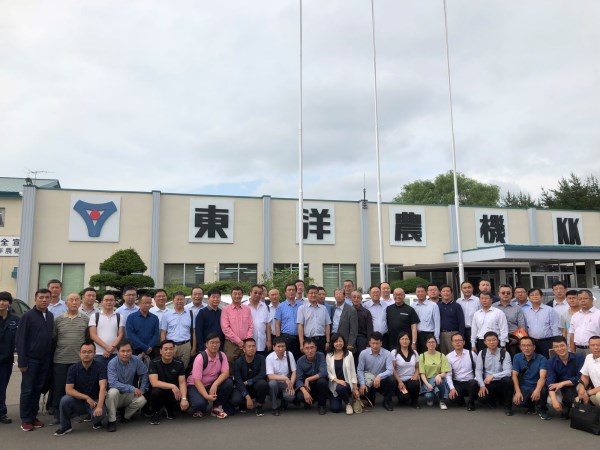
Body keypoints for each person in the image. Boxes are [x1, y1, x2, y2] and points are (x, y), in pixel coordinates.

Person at [16, 288, 54, 431]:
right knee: (27, 390)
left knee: (38, 388)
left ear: (50, 299)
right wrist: (22, 361)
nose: (44, 300)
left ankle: (33, 416)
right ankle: (25, 419)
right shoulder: (27, 316)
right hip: (30, 360)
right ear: (35, 299)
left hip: (44, 360)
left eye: (47, 297)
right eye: (41, 297)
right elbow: (20, 340)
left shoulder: (50, 316)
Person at [53, 341, 107, 436]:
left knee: (99, 415)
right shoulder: (73, 368)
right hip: (78, 402)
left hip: (94, 401)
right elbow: (68, 390)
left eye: (89, 352)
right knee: (65, 400)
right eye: (84, 352)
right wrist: (86, 397)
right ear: (80, 353)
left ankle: (96, 421)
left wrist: (99, 407)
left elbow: (103, 387)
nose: (86, 354)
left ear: (94, 353)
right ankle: (65, 427)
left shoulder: (100, 367)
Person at [51, 293, 89, 425]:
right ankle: (57, 414)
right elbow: (54, 338)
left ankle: (74, 413)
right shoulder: (58, 320)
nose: (74, 302)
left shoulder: (85, 319)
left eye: (76, 300)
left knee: (77, 388)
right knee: (59, 388)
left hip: (78, 360)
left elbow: (87, 339)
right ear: (66, 303)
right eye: (71, 300)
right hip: (60, 359)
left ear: (80, 303)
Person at [186, 332, 233, 419]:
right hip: (195, 385)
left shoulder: (222, 355)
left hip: (211, 384)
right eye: (212, 342)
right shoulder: (200, 358)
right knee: (199, 404)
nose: (215, 345)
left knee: (228, 383)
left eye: (217, 342)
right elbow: (197, 381)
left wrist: (215, 385)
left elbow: (226, 373)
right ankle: (198, 403)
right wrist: (206, 396)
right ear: (206, 344)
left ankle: (216, 407)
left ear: (220, 344)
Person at [106, 340, 149, 431]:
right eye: (123, 351)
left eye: (128, 351)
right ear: (118, 352)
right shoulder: (112, 363)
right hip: (116, 396)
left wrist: (142, 389)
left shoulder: (136, 360)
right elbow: (113, 383)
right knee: (112, 392)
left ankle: (125, 416)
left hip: (128, 394)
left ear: (132, 351)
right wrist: (132, 388)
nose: (125, 354)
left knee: (142, 400)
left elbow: (145, 373)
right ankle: (111, 421)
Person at [147, 339, 189, 425]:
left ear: (174, 350)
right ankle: (155, 413)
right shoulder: (154, 362)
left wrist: (184, 399)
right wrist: (172, 386)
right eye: (165, 349)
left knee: (184, 409)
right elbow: (154, 383)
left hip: (172, 392)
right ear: (161, 351)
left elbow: (182, 382)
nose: (168, 351)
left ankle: (168, 408)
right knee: (156, 391)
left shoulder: (179, 363)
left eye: (171, 349)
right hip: (159, 391)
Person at [475, 331, 514, 416]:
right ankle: (493, 400)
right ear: (485, 342)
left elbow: (508, 371)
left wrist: (493, 376)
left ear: (498, 341)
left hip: (501, 382)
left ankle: (508, 407)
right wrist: (482, 386)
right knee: (482, 398)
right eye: (489, 340)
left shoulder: (505, 353)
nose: (491, 342)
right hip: (488, 383)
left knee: (508, 380)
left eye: (494, 340)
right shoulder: (482, 353)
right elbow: (478, 371)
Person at [546, 336, 584, 419]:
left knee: (582, 388)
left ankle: (578, 409)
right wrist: (554, 401)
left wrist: (563, 383)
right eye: (556, 347)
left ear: (567, 346)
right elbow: (550, 382)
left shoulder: (579, 357)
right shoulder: (550, 362)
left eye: (562, 345)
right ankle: (564, 408)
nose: (560, 349)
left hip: (576, 385)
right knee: (550, 400)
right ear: (553, 348)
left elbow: (580, 376)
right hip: (562, 389)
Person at [512, 336, 550, 420]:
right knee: (519, 403)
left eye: (529, 345)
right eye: (523, 345)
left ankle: (542, 410)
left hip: (537, 384)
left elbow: (542, 377)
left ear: (534, 347)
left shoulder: (542, 358)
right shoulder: (517, 357)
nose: (526, 348)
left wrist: (537, 390)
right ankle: (531, 405)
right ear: (520, 347)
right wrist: (517, 392)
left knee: (543, 390)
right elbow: (514, 375)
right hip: (524, 386)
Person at [357, 332, 396, 411]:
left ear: (381, 343)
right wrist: (362, 384)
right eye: (373, 343)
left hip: (381, 381)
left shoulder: (387, 353)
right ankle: (371, 396)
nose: (375, 345)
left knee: (392, 380)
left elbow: (390, 370)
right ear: (369, 343)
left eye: (377, 343)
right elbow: (360, 370)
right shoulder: (363, 353)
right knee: (361, 390)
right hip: (368, 380)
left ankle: (387, 401)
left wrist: (379, 376)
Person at [231, 338, 268, 417]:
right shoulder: (238, 362)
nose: (251, 348)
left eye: (253, 346)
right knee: (235, 400)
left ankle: (259, 405)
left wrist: (249, 381)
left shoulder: (261, 358)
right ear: (244, 349)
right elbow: (238, 380)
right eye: (249, 346)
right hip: (242, 387)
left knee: (263, 384)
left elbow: (263, 374)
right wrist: (247, 397)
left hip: (255, 385)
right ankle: (243, 403)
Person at [160, 291, 196, 370]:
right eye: (177, 299)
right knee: (169, 368)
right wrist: (163, 347)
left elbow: (193, 332)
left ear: (184, 301)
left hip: (186, 345)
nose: (180, 301)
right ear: (173, 301)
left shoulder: (190, 313)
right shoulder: (166, 315)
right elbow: (163, 333)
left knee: (183, 368)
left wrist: (194, 347)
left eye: (181, 299)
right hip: (171, 346)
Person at [221, 286, 253, 367]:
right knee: (230, 363)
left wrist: (247, 341)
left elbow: (251, 326)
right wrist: (238, 341)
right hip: (231, 343)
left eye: (239, 294)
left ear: (242, 295)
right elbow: (225, 328)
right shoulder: (225, 309)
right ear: (231, 295)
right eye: (235, 294)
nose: (237, 296)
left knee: (245, 363)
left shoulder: (247, 309)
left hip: (245, 342)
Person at [88, 292, 124, 366]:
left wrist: (111, 349)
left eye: (111, 300)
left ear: (115, 302)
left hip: (114, 353)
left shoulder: (119, 317)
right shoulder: (95, 316)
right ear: (101, 302)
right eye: (106, 300)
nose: (109, 302)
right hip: (98, 353)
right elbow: (92, 335)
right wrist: (107, 347)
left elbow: (120, 335)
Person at [326, 333, 358, 414]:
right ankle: (341, 397)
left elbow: (353, 371)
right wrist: (337, 380)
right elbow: (328, 372)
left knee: (340, 388)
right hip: (334, 384)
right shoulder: (329, 355)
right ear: (333, 343)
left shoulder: (349, 354)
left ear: (344, 342)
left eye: (340, 341)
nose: (338, 343)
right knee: (335, 409)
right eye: (336, 341)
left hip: (347, 384)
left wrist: (355, 387)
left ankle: (348, 404)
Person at [295, 338, 329, 415]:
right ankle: (308, 401)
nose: (310, 351)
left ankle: (322, 405)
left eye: (312, 347)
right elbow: (299, 380)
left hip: (318, 383)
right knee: (300, 396)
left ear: (316, 348)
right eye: (307, 348)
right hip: (308, 387)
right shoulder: (300, 361)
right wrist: (304, 392)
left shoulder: (321, 355)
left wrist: (308, 379)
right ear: (303, 350)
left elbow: (323, 372)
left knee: (322, 381)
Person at [446, 332, 479, 411]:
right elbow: (448, 375)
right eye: (455, 341)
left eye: (460, 340)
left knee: (473, 383)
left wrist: (476, 380)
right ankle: (461, 400)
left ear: (464, 342)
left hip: (470, 382)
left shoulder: (471, 354)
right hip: (457, 382)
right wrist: (452, 388)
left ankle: (471, 403)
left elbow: (479, 369)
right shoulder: (448, 357)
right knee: (453, 398)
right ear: (452, 343)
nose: (457, 342)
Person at [523, 288, 560, 358]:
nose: (534, 296)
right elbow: (525, 327)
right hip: (532, 342)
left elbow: (555, 328)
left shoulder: (550, 310)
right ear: (528, 298)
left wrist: (556, 343)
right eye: (532, 295)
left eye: (537, 295)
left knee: (548, 361)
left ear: (541, 297)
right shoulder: (526, 312)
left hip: (547, 342)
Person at [0, 291, 19, 424]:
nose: (2, 303)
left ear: (9, 303)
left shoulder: (15, 320)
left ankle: (2, 413)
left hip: (6, 360)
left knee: (2, 387)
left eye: (5, 300)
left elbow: (20, 339)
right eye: (0, 300)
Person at [266, 337, 297, 416]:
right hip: (276, 383)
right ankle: (274, 407)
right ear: (274, 347)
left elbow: (294, 371)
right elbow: (270, 376)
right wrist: (285, 378)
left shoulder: (289, 354)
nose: (281, 349)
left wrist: (291, 384)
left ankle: (284, 402)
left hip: (287, 383)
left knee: (291, 397)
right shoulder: (269, 358)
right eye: (278, 346)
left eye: (283, 346)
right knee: (272, 384)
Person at [419, 334, 450, 410]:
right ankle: (433, 396)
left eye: (433, 342)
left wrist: (439, 375)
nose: (431, 344)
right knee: (428, 396)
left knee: (439, 381)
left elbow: (444, 372)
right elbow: (422, 374)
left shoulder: (442, 356)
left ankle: (442, 401)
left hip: (439, 380)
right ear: (426, 344)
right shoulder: (422, 356)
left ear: (436, 343)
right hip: (427, 381)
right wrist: (427, 384)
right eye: (429, 342)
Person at [297, 285, 331, 354]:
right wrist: (301, 343)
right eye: (311, 293)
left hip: (321, 340)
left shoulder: (323, 308)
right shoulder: (302, 308)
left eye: (315, 293)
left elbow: (327, 325)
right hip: (308, 340)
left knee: (321, 358)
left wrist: (328, 341)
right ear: (307, 295)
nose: (313, 295)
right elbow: (300, 326)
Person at [495, 285, 526, 357]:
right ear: (499, 294)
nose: (506, 294)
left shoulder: (517, 308)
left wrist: (517, 340)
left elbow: (522, 327)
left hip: (513, 340)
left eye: (508, 293)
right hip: (497, 339)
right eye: (503, 293)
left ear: (511, 294)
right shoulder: (493, 307)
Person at [391, 332, 420, 409]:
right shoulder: (394, 352)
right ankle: (405, 396)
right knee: (404, 398)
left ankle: (415, 401)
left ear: (410, 341)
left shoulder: (414, 352)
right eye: (402, 339)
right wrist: (399, 382)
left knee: (415, 384)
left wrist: (416, 374)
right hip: (400, 379)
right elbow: (393, 369)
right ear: (399, 340)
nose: (404, 341)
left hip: (411, 378)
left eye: (407, 339)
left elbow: (417, 367)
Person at [125, 294, 160, 360]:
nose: (147, 305)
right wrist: (145, 347)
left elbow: (156, 335)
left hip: (151, 350)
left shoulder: (155, 318)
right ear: (139, 303)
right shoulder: (131, 317)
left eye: (149, 303)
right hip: (136, 350)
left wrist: (149, 347)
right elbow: (130, 335)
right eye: (145, 303)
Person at [386, 287, 419, 355]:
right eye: (395, 294)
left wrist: (413, 343)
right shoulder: (389, 309)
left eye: (400, 294)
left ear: (404, 296)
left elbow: (414, 327)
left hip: (405, 343)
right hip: (392, 343)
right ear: (393, 296)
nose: (398, 296)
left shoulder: (410, 310)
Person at [274, 283, 302, 360]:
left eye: (293, 290)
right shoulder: (281, 306)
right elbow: (277, 324)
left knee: (297, 359)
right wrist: (278, 340)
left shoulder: (301, 306)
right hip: (285, 338)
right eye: (289, 290)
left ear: (296, 292)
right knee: (285, 360)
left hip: (298, 339)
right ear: (285, 292)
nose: (291, 292)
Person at [569, 289, 600, 356]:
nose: (582, 301)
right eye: (580, 299)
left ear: (592, 299)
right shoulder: (575, 316)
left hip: (595, 349)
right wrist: (573, 352)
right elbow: (572, 335)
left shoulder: (598, 314)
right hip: (578, 350)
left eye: (585, 298)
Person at [437, 285, 465, 354]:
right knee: (443, 355)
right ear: (440, 293)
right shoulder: (437, 305)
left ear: (451, 293)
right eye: (444, 291)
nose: (446, 293)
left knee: (454, 354)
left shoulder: (457, 306)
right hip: (441, 334)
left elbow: (461, 322)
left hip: (454, 334)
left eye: (448, 291)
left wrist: (461, 335)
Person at [413, 285, 440, 354]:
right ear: (416, 293)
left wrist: (436, 340)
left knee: (429, 356)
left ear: (426, 293)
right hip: (416, 335)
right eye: (418, 292)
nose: (420, 293)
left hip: (428, 335)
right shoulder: (413, 306)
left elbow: (437, 323)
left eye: (422, 291)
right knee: (417, 355)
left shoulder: (433, 305)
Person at [195, 287, 223, 352]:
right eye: (213, 297)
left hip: (219, 347)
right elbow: (198, 331)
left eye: (218, 297)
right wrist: (202, 347)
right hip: (206, 347)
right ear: (208, 298)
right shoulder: (202, 312)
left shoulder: (221, 312)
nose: (216, 299)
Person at [330, 289, 358, 353]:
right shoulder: (332, 308)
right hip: (333, 339)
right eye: (336, 294)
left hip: (345, 341)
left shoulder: (351, 310)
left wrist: (351, 343)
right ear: (334, 296)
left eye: (340, 294)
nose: (338, 296)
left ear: (344, 296)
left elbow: (354, 329)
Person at [247, 285, 271, 356]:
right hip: (248, 343)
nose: (257, 295)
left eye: (260, 293)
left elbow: (268, 324)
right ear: (250, 293)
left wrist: (269, 340)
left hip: (262, 342)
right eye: (255, 292)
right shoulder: (244, 306)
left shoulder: (264, 306)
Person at [351, 290, 373, 367]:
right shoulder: (348, 311)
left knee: (362, 360)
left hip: (362, 339)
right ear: (351, 298)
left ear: (361, 299)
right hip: (351, 340)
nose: (356, 299)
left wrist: (369, 343)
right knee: (351, 360)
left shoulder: (366, 312)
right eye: (354, 297)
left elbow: (369, 329)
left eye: (358, 297)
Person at [577, 335, 600, 406]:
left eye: (598, 345)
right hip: (595, 389)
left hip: (597, 392)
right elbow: (585, 375)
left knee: (599, 396)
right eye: (593, 345)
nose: (596, 347)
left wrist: (587, 393)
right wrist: (582, 388)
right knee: (579, 388)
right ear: (589, 346)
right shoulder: (588, 357)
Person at [457, 281, 479, 347]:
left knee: (474, 348)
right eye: (465, 288)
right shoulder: (458, 301)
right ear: (461, 289)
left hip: (475, 329)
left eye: (469, 287)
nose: (467, 289)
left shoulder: (478, 300)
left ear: (473, 288)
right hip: (462, 330)